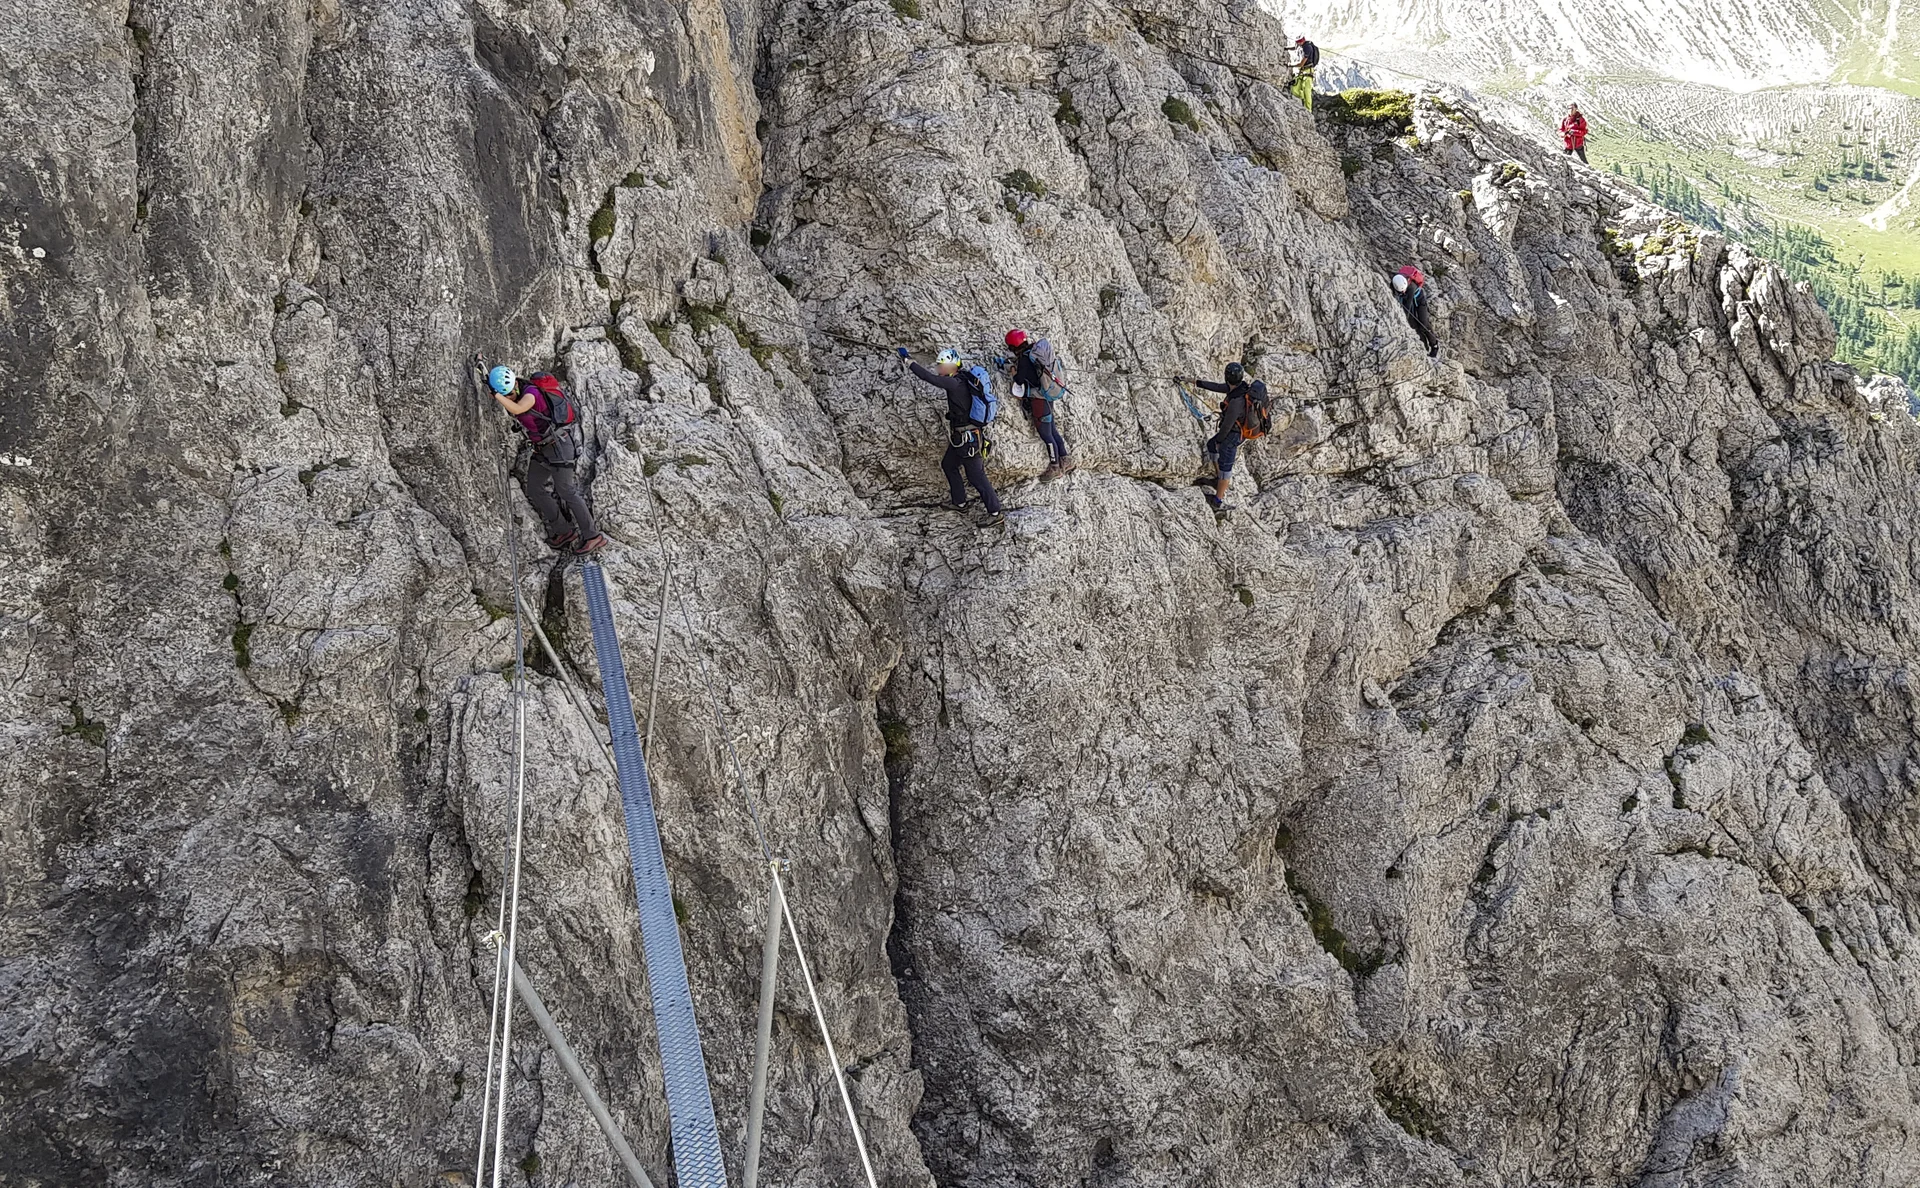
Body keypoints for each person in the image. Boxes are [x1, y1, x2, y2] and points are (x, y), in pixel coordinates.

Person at [485, 364, 608, 554]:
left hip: (559, 447)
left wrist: (497, 396)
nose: (508, 397)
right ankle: (564, 531)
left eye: (508, 394)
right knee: (535, 489)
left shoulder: (530, 393)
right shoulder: (516, 390)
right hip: (542, 449)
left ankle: (592, 536)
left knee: (567, 491)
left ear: (514, 386)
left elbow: (518, 409)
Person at [899, 346, 1005, 527]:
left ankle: (995, 512)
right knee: (948, 464)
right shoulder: (961, 378)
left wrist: (908, 361)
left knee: (976, 476)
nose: (938, 369)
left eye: (941, 365)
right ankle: (959, 502)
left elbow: (927, 377)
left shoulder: (954, 382)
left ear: (951, 367)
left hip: (968, 439)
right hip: (963, 437)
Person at [1000, 328, 1075, 481]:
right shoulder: (1033, 352)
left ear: (1014, 347)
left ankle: (1055, 467)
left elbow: (1020, 380)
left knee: (1046, 434)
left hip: (1039, 401)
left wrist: (1013, 371)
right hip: (1047, 397)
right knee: (1052, 430)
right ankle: (1066, 460)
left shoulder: (1025, 360)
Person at [1185, 362, 1251, 511]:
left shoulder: (1236, 401)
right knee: (1210, 445)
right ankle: (1217, 479)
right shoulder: (1238, 388)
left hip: (1233, 436)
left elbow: (1227, 425)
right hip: (1232, 432)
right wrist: (1193, 381)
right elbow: (1216, 387)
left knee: (1225, 468)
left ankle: (1217, 501)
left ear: (1227, 377)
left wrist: (1219, 441)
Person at [1392, 269, 1439, 357]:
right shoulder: (1395, 282)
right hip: (1408, 301)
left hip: (1420, 302)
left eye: (1403, 290)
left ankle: (1434, 345)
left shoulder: (1411, 287)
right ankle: (1424, 348)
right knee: (1414, 326)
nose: (1402, 292)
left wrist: (1403, 318)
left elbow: (1408, 306)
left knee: (1423, 323)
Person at [1289, 36, 1320, 110]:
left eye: (1298, 42)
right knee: (1294, 90)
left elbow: (1301, 64)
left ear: (1300, 41)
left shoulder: (1307, 48)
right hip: (1303, 72)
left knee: (1307, 93)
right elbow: (1295, 47)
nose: (1297, 44)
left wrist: (1290, 65)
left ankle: (1308, 111)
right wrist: (1286, 48)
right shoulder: (1304, 46)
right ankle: (1302, 104)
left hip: (1308, 72)